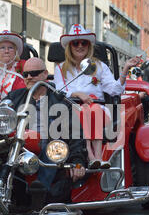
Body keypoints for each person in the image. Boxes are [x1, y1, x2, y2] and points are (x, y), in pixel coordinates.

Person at [53, 24, 141, 169]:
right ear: (70, 46)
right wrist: (76, 94)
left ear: (89, 45)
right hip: (70, 111)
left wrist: (125, 69)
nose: (80, 46)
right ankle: (90, 153)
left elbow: (115, 90)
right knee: (85, 110)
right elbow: (58, 91)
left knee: (92, 110)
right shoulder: (60, 69)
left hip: (97, 110)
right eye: (75, 43)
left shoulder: (99, 66)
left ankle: (97, 156)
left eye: (84, 43)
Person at [4, 57, 87, 209]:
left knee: (55, 145)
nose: (29, 77)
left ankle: (39, 190)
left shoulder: (60, 101)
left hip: (49, 148)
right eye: (26, 74)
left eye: (34, 73)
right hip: (19, 147)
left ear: (44, 74)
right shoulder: (13, 97)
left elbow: (75, 134)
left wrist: (78, 161)